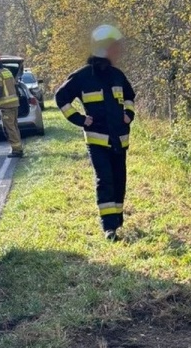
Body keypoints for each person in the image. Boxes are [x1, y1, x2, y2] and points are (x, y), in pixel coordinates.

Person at [54, 25, 136, 241]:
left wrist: (129, 113)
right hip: (97, 140)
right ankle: (109, 228)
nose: (118, 52)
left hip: (120, 139)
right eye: (114, 47)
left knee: (119, 179)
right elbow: (61, 98)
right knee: (105, 179)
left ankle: (117, 220)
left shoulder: (118, 75)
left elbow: (130, 95)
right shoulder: (82, 77)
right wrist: (80, 119)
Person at [0, 51, 23, 158]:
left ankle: (17, 150)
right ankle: (18, 147)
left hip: (6, 106)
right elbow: (15, 85)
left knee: (9, 128)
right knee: (14, 127)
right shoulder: (7, 71)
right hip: (14, 104)